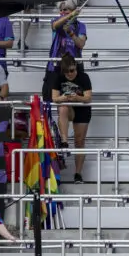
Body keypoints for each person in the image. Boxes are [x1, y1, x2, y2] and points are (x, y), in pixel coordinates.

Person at [51, 54, 93, 184]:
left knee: (80, 141)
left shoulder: (84, 77)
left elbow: (88, 97)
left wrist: (77, 98)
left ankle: (78, 173)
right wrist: (63, 98)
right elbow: (54, 98)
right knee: (62, 107)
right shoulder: (58, 78)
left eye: (72, 70)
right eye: (67, 72)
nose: (70, 74)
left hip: (82, 109)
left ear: (76, 67)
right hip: (69, 107)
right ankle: (64, 140)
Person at [42, 0, 88, 105]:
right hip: (55, 66)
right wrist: (70, 15)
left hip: (73, 67)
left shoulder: (80, 26)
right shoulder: (57, 20)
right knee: (49, 98)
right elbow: (55, 26)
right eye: (61, 10)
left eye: (66, 10)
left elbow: (81, 44)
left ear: (72, 10)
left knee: (74, 101)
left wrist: (71, 33)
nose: (62, 12)